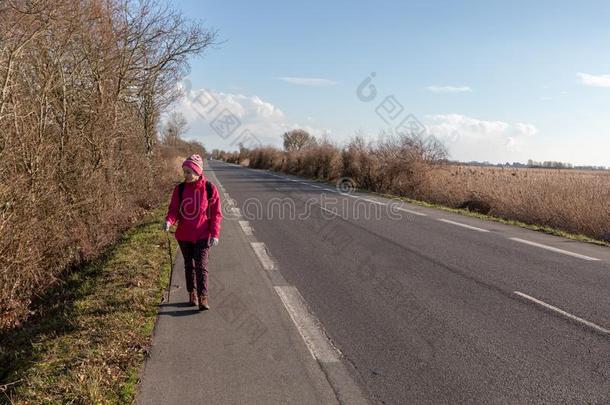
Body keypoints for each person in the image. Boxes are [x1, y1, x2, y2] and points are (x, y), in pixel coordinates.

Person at [163, 154, 222, 310]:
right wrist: (169, 221)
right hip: (184, 235)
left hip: (203, 234)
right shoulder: (180, 189)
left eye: (189, 172)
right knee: (189, 265)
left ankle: (203, 297)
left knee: (201, 265)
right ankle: (192, 294)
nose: (186, 175)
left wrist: (214, 233)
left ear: (198, 172)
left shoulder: (209, 189)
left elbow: (216, 213)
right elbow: (174, 210)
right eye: (185, 171)